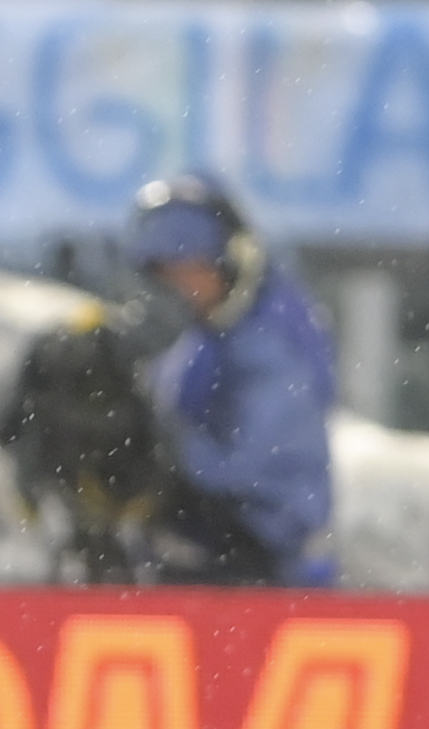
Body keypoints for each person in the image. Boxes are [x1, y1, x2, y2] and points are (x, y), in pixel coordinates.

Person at [127, 176, 338, 586]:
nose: (180, 289)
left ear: (232, 261)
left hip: (268, 579)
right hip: (218, 568)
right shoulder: (212, 332)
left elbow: (252, 473)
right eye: (166, 276)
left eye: (192, 271)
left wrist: (150, 433)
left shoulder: (272, 340)